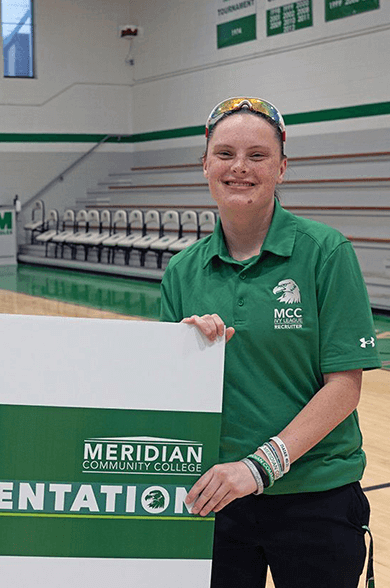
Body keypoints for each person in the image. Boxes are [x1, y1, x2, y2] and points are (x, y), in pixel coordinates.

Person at [160, 97, 381, 587]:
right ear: (205, 165)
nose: (239, 167)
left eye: (257, 156)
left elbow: (344, 386)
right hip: (213, 498)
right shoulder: (181, 271)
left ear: (282, 167)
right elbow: (165, 394)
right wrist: (183, 352)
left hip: (315, 496)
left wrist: (260, 467)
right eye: (225, 154)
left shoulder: (326, 252)